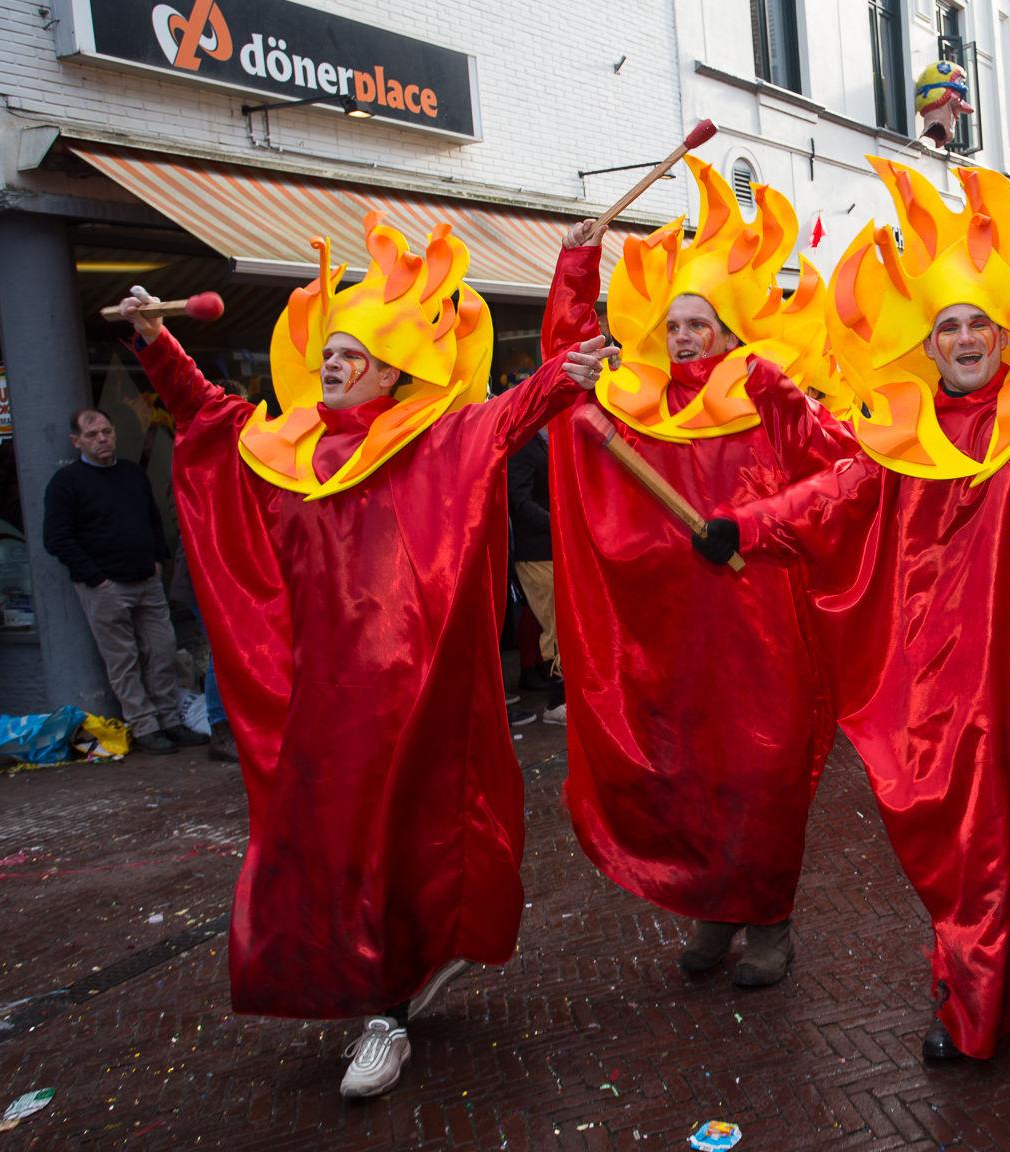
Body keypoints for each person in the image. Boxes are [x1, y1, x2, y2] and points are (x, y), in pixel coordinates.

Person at [117, 215, 605, 1100]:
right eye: (330, 353)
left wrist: (573, 291)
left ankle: (386, 1014)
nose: (333, 364)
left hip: (411, 692)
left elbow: (524, 405)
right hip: (319, 693)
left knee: (402, 841)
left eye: (352, 355)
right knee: (328, 847)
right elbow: (208, 418)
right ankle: (392, 982)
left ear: (388, 371)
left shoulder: (434, 438)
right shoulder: (288, 448)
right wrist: (157, 342)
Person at [700, 160, 1010, 1063]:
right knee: (969, 845)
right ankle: (970, 995)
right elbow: (831, 496)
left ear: (1003, 335)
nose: (965, 338)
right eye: (949, 326)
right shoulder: (904, 438)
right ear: (930, 344)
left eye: (978, 324)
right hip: (945, 681)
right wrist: (747, 527)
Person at [545, 158, 853, 989]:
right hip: (679, 632)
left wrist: (759, 524)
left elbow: (841, 479)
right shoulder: (638, 405)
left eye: (698, 324)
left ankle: (770, 920)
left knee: (763, 773)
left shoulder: (768, 394)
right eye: (675, 324)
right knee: (695, 771)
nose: (683, 336)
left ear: (727, 331)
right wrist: (577, 266)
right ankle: (717, 909)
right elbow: (565, 372)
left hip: (762, 629)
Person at [43, 407, 195, 755]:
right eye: (93, 435)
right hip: (106, 586)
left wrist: (157, 560)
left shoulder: (131, 473)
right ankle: (145, 726)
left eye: (107, 432)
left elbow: (153, 518)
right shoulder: (67, 483)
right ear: (76, 441)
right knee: (123, 660)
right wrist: (96, 578)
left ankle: (170, 719)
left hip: (146, 579)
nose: (102, 439)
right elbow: (57, 538)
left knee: (162, 649)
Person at [507, 425, 562, 719]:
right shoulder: (524, 445)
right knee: (554, 624)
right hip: (535, 552)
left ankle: (560, 698)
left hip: (548, 549)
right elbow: (519, 501)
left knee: (557, 621)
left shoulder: (543, 442)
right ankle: (556, 703)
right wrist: (556, 521)